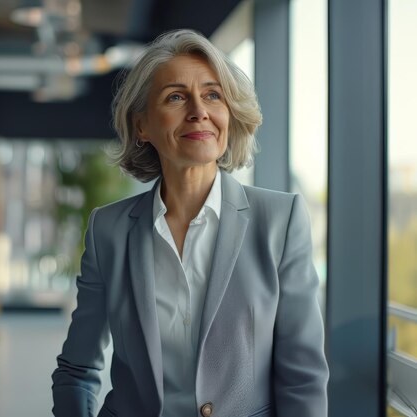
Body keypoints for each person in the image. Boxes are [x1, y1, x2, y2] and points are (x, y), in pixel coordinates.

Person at [51, 29, 328, 417]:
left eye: (213, 95)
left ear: (228, 115)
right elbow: (77, 369)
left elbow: (303, 377)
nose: (199, 110)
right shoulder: (107, 231)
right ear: (142, 125)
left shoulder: (281, 222)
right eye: (176, 97)